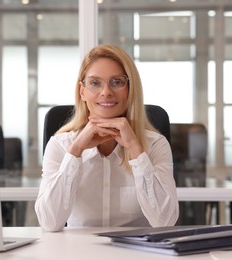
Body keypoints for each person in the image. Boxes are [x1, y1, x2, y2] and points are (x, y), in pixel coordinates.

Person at [35, 44, 179, 232]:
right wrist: (75, 151)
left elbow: (165, 222)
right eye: (95, 83)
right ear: (82, 91)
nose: (106, 92)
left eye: (117, 82)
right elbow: (49, 222)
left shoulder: (155, 145)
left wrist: (136, 150)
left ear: (130, 89)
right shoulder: (61, 145)